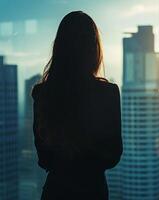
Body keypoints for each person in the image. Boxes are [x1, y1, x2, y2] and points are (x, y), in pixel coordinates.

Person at [32, 11, 123, 200]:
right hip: (92, 190)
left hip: (56, 191)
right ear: (93, 48)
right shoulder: (108, 93)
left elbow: (44, 159)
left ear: (59, 48)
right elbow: (113, 155)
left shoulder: (43, 93)